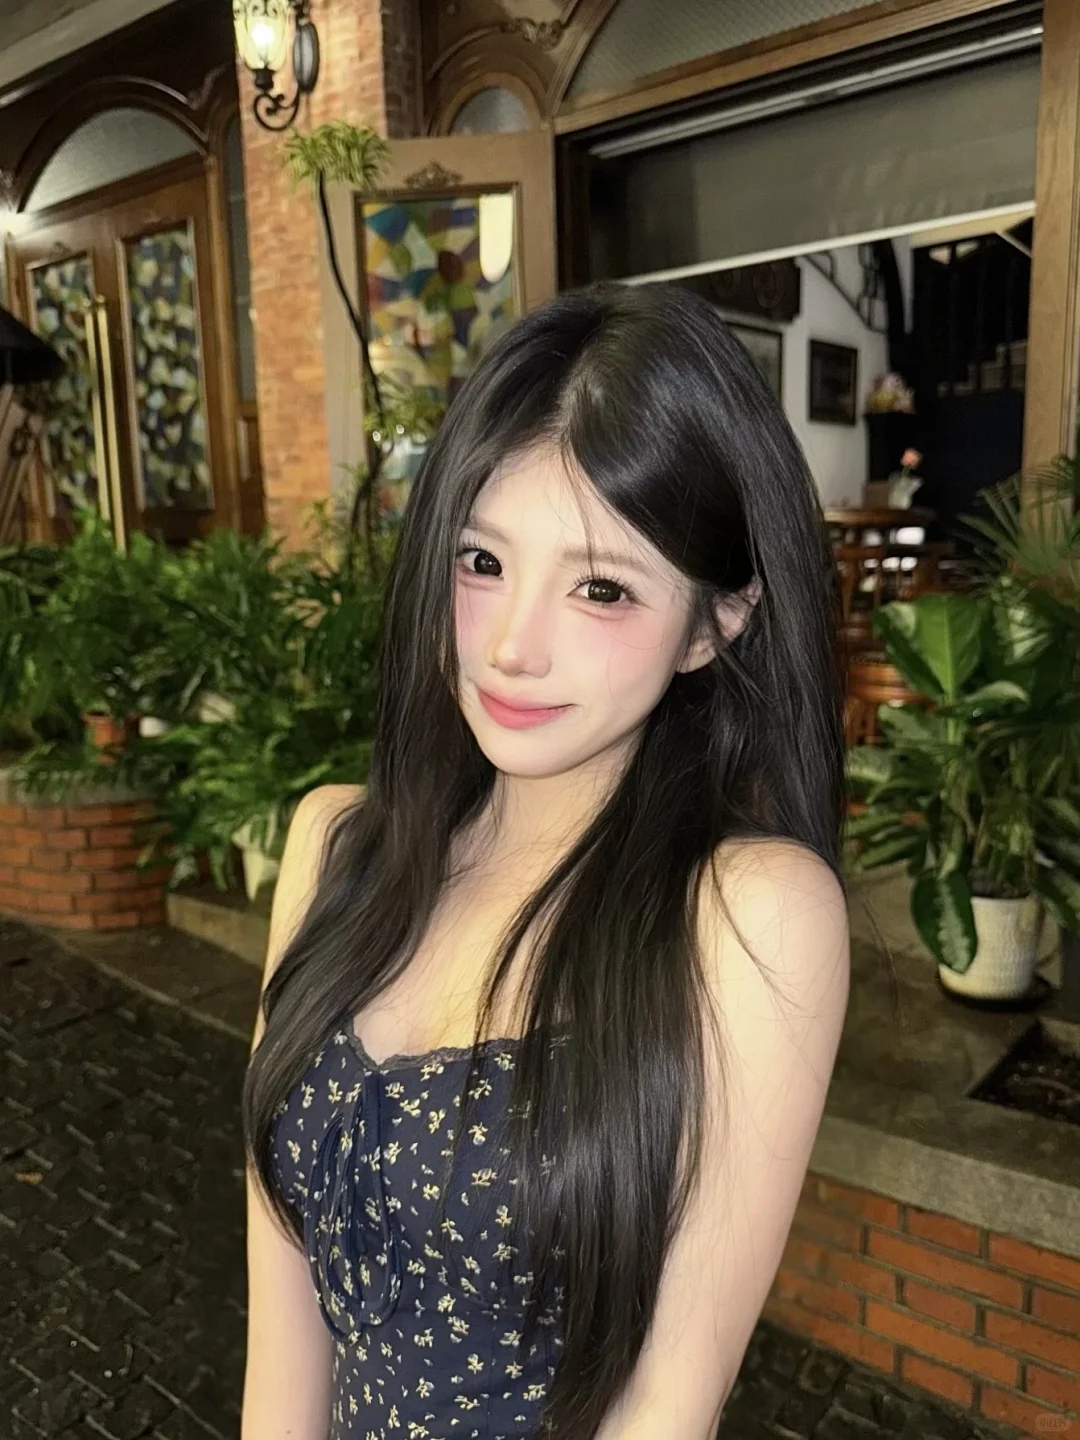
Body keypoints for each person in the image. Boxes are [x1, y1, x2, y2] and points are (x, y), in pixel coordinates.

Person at [241, 281, 851, 1440]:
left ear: (717, 621)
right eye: (481, 562)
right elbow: (283, 1344)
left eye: (601, 587)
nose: (514, 646)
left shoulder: (747, 918)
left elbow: (668, 1402)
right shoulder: (334, 848)